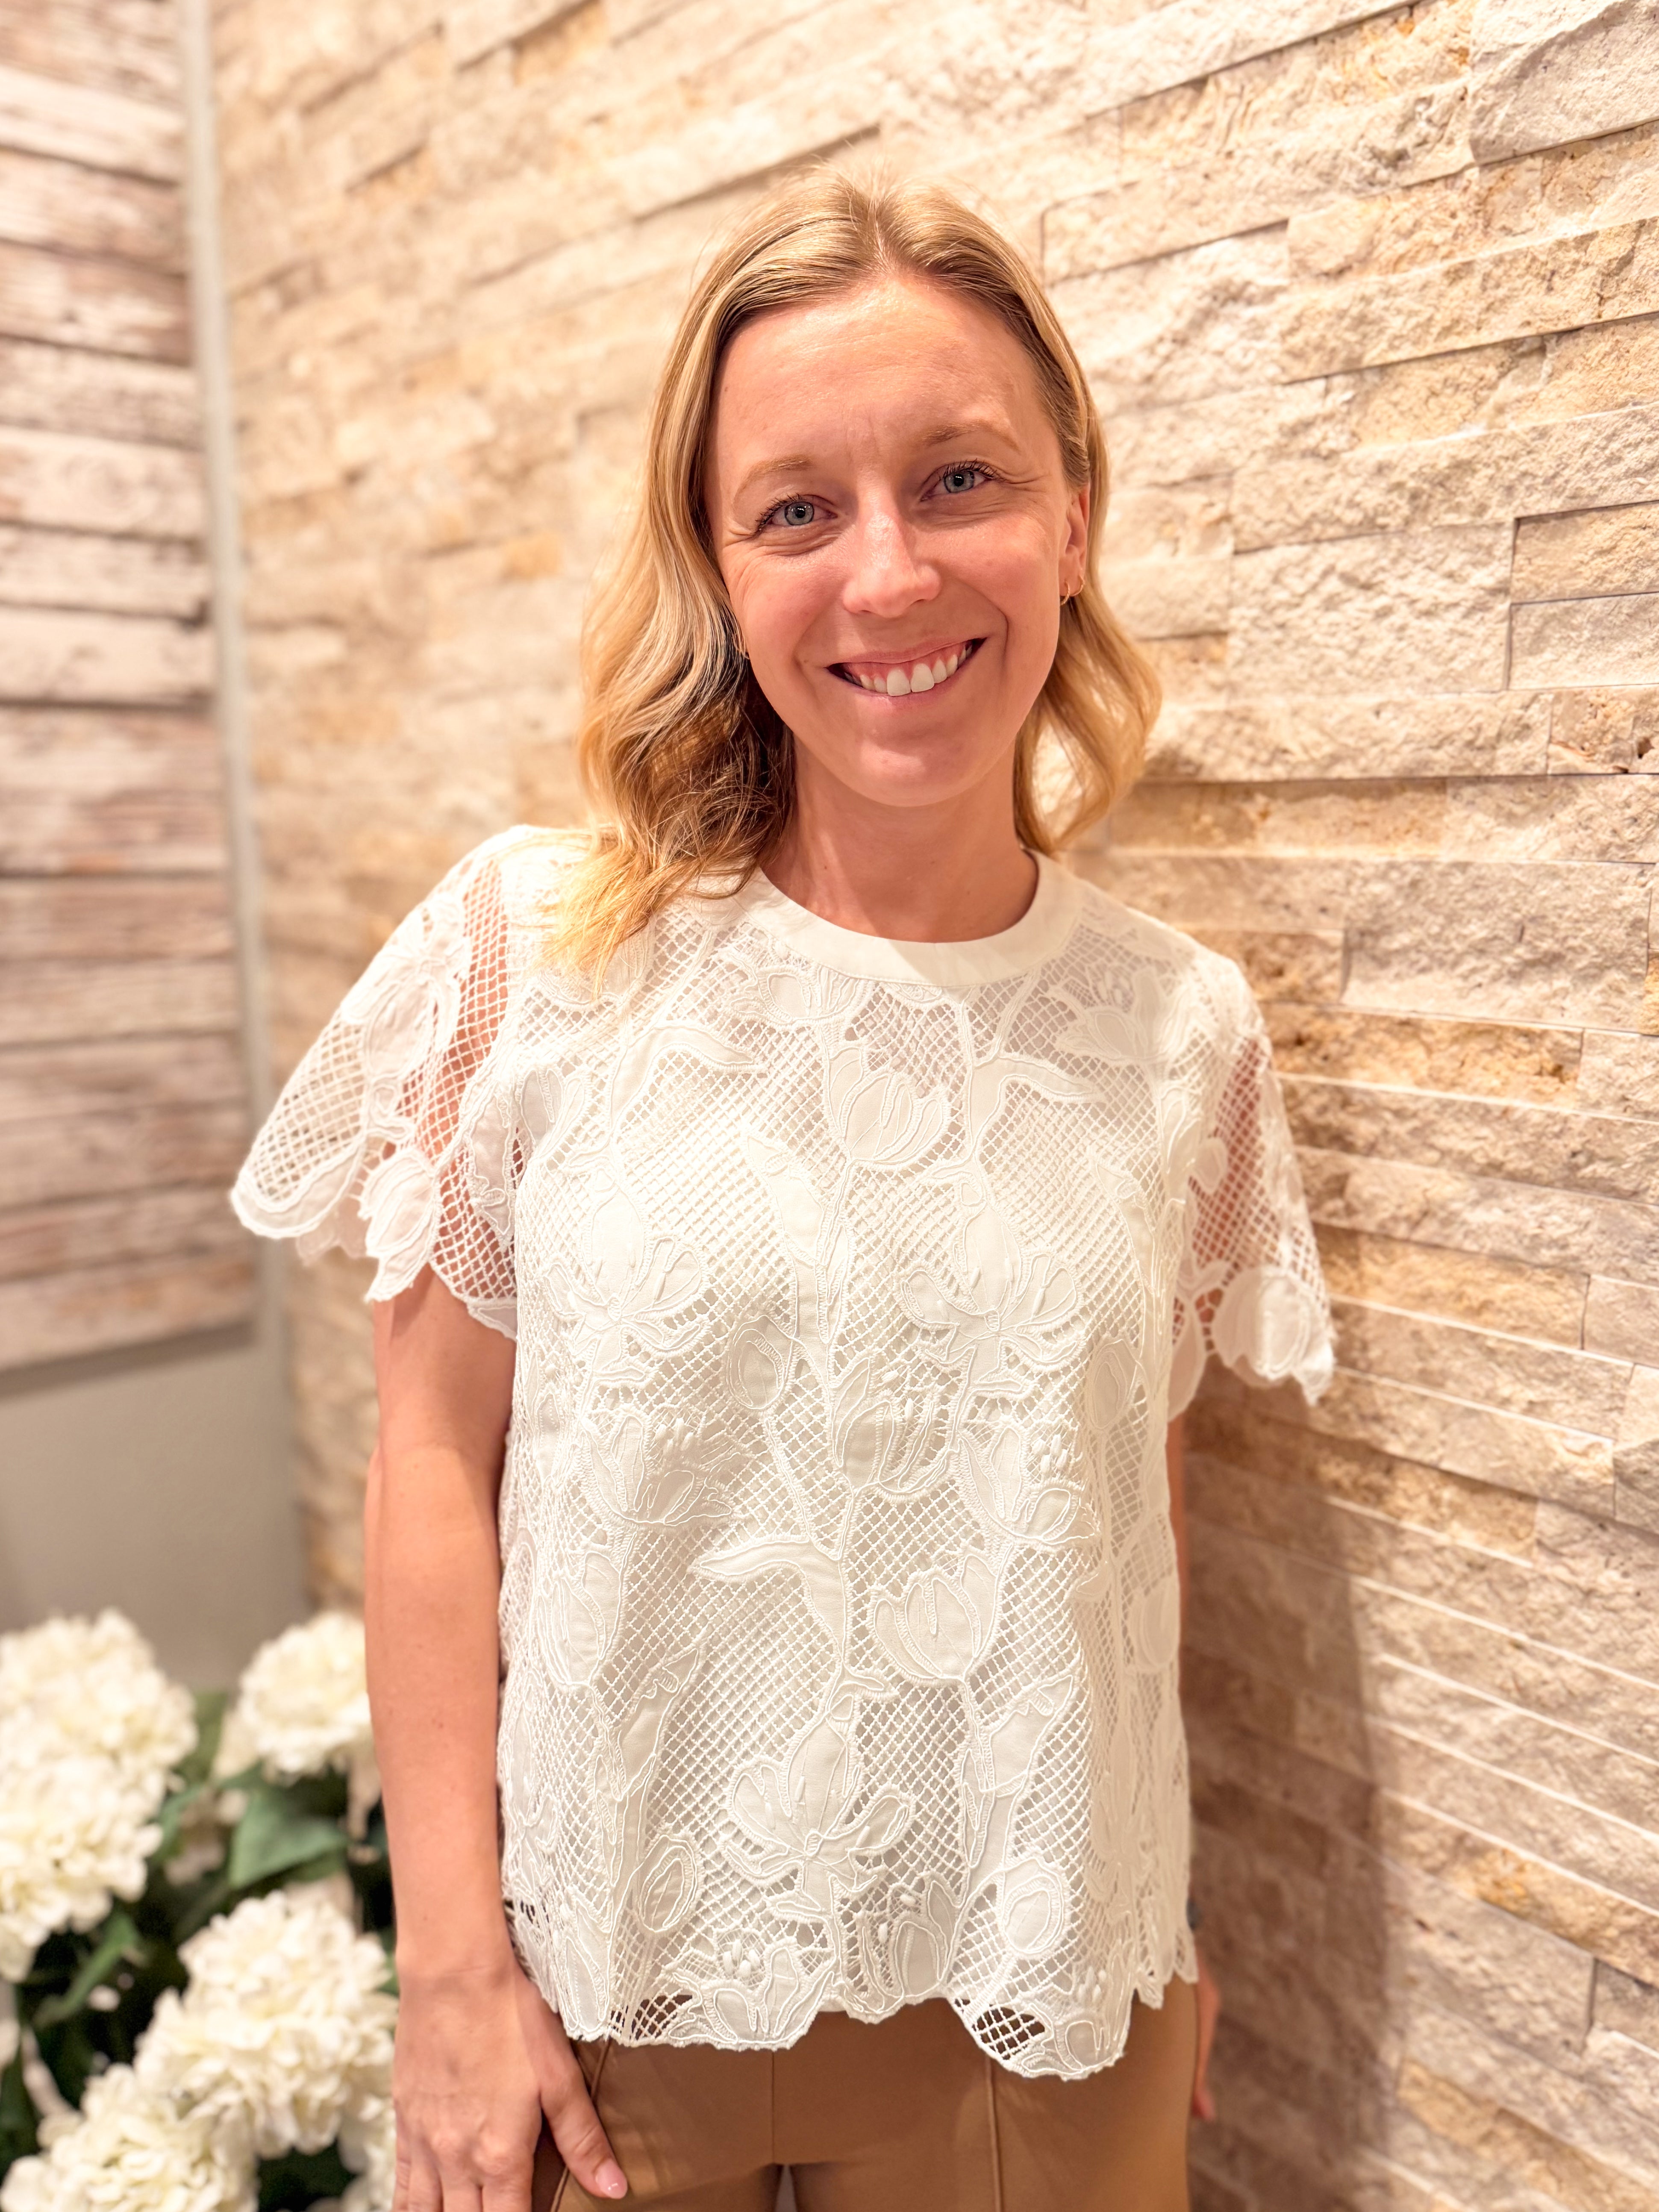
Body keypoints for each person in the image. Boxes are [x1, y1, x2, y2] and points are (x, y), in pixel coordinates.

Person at [234, 169, 1333, 2212]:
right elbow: (431, 1460)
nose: (889, 573)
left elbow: (1119, 1512)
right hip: (607, 2004)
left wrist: (1155, 1912)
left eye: (958, 477)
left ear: (1071, 517)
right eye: (797, 509)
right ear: (719, 570)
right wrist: (449, 1975)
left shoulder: (1178, 1030)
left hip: (1034, 2004)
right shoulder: (533, 955)